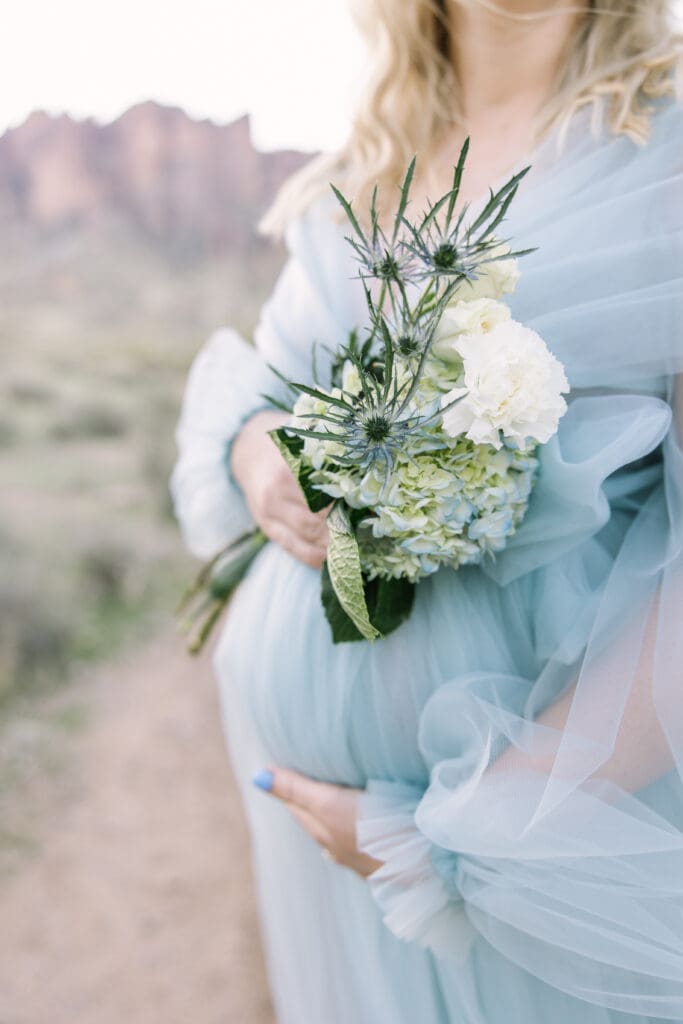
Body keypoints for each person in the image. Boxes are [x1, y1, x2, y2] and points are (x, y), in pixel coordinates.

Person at [170, 2, 683, 1021]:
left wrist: (463, 835)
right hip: (326, 855)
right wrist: (260, 450)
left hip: (539, 852)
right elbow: (259, 393)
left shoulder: (663, 155)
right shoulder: (360, 166)